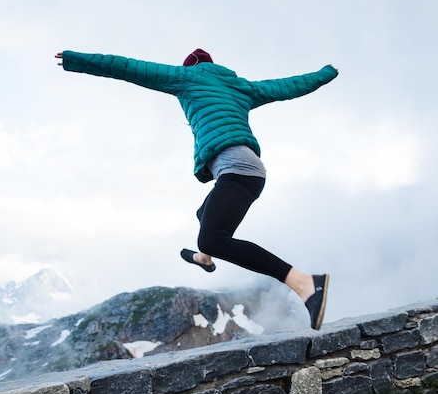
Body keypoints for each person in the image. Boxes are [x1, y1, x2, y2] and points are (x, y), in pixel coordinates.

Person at [55, 48, 338, 329]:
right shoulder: (240, 86)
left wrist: (74, 59)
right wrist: (326, 73)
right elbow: (289, 86)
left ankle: (304, 283)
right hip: (249, 171)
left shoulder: (185, 77)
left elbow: (126, 67)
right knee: (204, 213)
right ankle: (204, 259)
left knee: (212, 238)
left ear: (190, 67)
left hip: (238, 170)